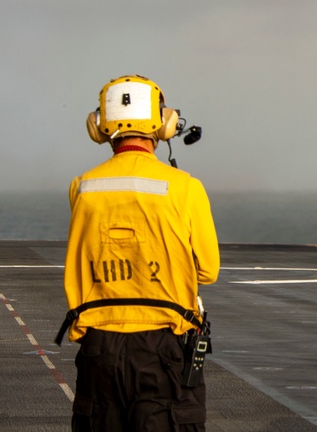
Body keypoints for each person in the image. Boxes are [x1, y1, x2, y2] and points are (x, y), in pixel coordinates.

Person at [60, 75, 220, 431]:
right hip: (162, 349)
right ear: (163, 124)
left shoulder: (82, 187)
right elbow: (208, 271)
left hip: (98, 349)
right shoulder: (186, 188)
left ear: (100, 126)